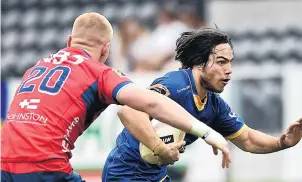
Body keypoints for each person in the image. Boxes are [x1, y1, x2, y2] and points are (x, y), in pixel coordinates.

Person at [0, 13, 230, 182]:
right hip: (44, 166)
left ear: (70, 42)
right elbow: (151, 102)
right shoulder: (98, 72)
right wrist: (206, 132)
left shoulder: (35, 69)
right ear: (106, 50)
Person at [102, 28, 302, 182]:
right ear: (199, 63)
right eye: (221, 62)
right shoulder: (176, 85)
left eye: (230, 62)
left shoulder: (214, 105)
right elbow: (128, 112)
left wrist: (281, 143)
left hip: (156, 176)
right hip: (124, 173)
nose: (228, 70)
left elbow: (247, 139)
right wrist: (160, 148)